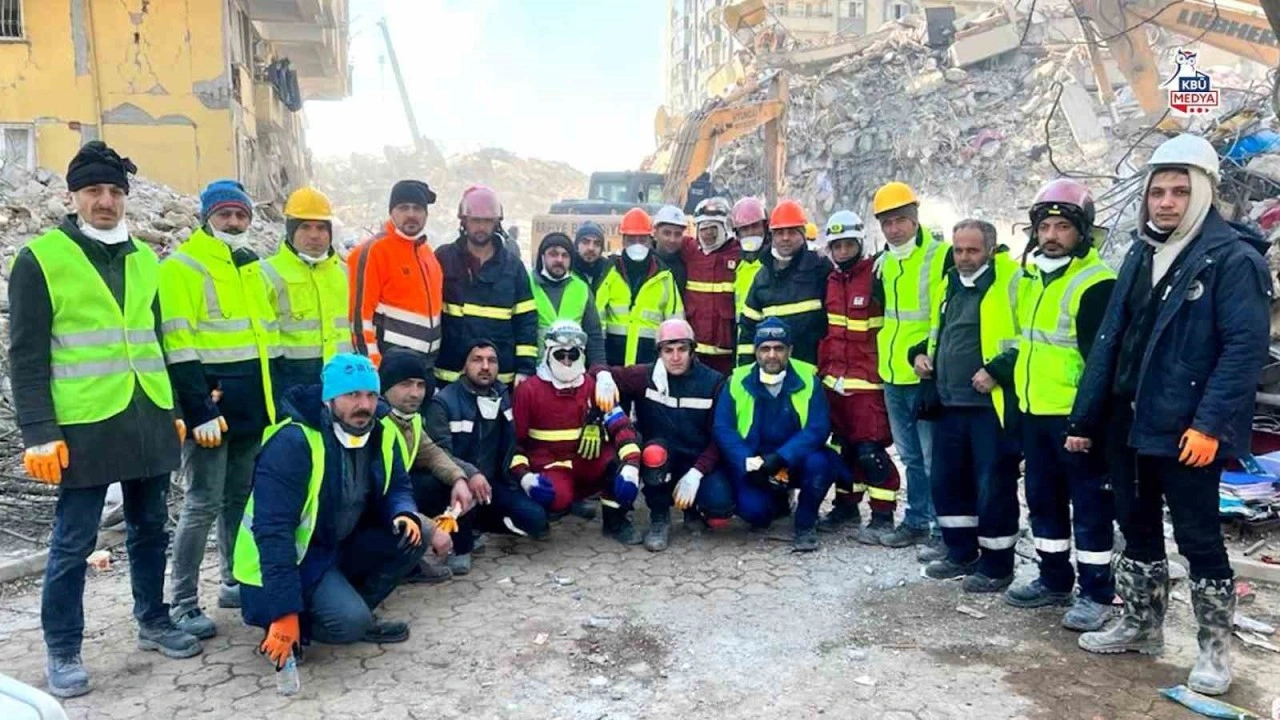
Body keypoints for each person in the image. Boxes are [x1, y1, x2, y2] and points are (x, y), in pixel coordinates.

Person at [1070, 134, 1271, 695]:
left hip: (1187, 429)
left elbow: (1243, 351)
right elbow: (1112, 340)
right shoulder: (1142, 253)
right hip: (1130, 422)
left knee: (1199, 537)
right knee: (1135, 525)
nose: (1165, 202)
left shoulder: (1233, 261)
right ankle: (1141, 624)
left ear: (1203, 193)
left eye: (1180, 191)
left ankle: (1214, 651)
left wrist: (1209, 426)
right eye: (1157, 192)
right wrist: (1086, 420)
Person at [10, 142, 199, 697]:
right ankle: (63, 648)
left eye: (115, 191)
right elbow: (26, 355)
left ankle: (153, 620)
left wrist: (175, 410)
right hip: (85, 422)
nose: (105, 202)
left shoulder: (143, 259)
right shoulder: (40, 259)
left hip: (147, 412)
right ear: (73, 196)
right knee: (74, 541)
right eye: (93, 191)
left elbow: (157, 340)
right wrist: (39, 432)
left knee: (150, 527)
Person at [235, 353, 427, 660]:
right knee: (347, 623)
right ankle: (288, 627)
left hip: (336, 545)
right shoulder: (294, 442)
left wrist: (402, 511)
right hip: (293, 559)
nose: (364, 405)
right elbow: (274, 532)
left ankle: (355, 610)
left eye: (371, 395)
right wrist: (284, 612)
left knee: (420, 530)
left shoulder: (380, 431)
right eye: (352, 395)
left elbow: (398, 486)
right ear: (330, 398)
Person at [160, 178, 281, 640]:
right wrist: (197, 411)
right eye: (224, 214)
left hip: (250, 409)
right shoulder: (183, 266)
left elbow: (262, 342)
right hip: (210, 411)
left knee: (238, 499)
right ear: (206, 218)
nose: (233, 222)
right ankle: (182, 602)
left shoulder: (251, 268)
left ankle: (233, 580)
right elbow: (178, 344)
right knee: (202, 502)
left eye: (241, 214)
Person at [1005, 178, 1117, 631]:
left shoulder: (1096, 283)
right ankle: (1053, 579)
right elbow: (1027, 344)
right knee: (1043, 500)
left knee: (1089, 507)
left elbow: (1101, 365)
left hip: (1074, 418)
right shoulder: (1030, 277)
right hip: (1035, 412)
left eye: (1063, 227)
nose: (1051, 236)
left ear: (1082, 231)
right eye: (1045, 227)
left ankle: (1096, 593)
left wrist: (1086, 423)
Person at [908, 220, 1026, 593]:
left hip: (991, 406)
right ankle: (960, 552)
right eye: (958, 250)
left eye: (972, 250)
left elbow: (1032, 338)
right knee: (948, 481)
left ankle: (997, 565)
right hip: (949, 402)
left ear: (990, 249)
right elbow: (939, 332)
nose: (963, 257)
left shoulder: (1013, 281)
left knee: (993, 486)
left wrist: (997, 370)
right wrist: (920, 355)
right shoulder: (949, 284)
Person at [594, 319, 735, 551]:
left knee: (720, 511)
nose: (675, 357)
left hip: (696, 461)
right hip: (659, 458)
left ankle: (693, 509)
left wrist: (697, 473)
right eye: (668, 350)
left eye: (682, 349)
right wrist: (603, 377)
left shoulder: (713, 382)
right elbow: (599, 373)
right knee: (654, 453)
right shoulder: (645, 375)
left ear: (693, 350)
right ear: (659, 352)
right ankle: (659, 517)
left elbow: (720, 437)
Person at [871, 181, 952, 558]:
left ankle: (940, 526)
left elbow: (949, 314)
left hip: (924, 374)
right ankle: (917, 519)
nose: (894, 229)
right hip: (892, 374)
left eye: (900, 220)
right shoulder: (884, 263)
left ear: (915, 218)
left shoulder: (941, 256)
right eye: (886, 223)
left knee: (933, 457)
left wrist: (931, 357)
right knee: (911, 458)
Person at [509, 320, 645, 544]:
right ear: (548, 353)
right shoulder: (528, 391)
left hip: (587, 462)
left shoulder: (593, 386)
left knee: (619, 465)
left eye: (573, 354)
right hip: (550, 466)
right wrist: (524, 477)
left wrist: (631, 466)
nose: (567, 361)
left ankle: (615, 521)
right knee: (554, 498)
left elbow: (621, 426)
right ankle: (557, 505)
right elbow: (514, 443)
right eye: (560, 354)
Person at [814, 211, 899, 545]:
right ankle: (846, 506)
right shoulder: (831, 280)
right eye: (837, 246)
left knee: (870, 450)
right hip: (836, 382)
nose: (842, 251)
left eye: (848, 244)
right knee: (843, 448)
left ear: (860, 243)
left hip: (868, 383)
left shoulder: (877, 274)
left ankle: (883, 515)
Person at [714, 318, 833, 552]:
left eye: (779, 348)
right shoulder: (737, 380)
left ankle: (806, 523)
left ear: (790, 350)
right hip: (756, 462)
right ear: (756, 351)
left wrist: (782, 457)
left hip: (795, 459)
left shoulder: (809, 379)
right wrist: (747, 462)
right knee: (755, 513)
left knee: (821, 464)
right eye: (765, 348)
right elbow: (723, 428)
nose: (771, 355)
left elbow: (818, 428)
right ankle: (779, 500)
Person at [426, 340, 551, 544]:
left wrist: (524, 477)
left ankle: (478, 522)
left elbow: (512, 445)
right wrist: (470, 474)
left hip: (492, 484)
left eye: (492, 361)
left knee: (535, 519)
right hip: (456, 483)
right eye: (477, 360)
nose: (485, 366)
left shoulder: (503, 395)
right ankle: (461, 532)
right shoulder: (443, 402)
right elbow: (439, 454)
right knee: (460, 548)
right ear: (464, 365)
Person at [378, 350, 473, 578]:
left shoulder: (411, 418)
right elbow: (381, 496)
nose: (415, 393)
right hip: (378, 506)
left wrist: (459, 479)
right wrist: (429, 529)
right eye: (405, 384)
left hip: (398, 493)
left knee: (447, 484)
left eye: (420, 385)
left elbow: (431, 453)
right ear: (386, 386)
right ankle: (404, 567)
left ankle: (457, 548)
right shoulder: (376, 423)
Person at [434, 185, 538, 387]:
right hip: (450, 376)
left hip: (498, 379)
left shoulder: (513, 267)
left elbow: (526, 321)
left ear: (497, 223)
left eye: (487, 221)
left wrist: (525, 369)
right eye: (475, 220)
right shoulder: (443, 259)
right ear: (464, 221)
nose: (481, 227)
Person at [261, 187, 349, 392]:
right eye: (305, 227)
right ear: (291, 230)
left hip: (342, 380)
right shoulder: (266, 273)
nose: (314, 235)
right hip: (291, 381)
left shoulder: (346, 274)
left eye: (321, 228)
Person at [347, 179, 444, 368]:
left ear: (426, 214)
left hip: (425, 367)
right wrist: (373, 368)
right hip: (389, 368)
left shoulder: (428, 254)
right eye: (403, 208)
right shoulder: (373, 251)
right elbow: (359, 319)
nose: (411, 214)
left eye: (417, 208)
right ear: (391, 212)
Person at [736, 200, 827, 366]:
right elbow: (748, 331)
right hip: (772, 371)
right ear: (772, 236)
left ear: (803, 235)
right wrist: (746, 371)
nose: (785, 238)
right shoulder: (762, 278)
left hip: (812, 372)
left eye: (792, 232)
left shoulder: (820, 270)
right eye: (779, 233)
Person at [597, 208, 685, 366]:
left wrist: (668, 364)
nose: (637, 245)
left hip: (649, 366)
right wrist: (599, 363)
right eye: (632, 239)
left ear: (650, 240)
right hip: (613, 364)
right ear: (623, 241)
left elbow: (675, 323)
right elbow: (597, 318)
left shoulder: (664, 276)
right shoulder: (610, 271)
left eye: (642, 239)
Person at [682, 197, 742, 374]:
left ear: (724, 227)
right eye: (704, 228)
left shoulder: (739, 253)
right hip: (695, 353)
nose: (708, 234)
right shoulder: (689, 251)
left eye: (713, 228)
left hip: (728, 354)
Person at [531, 231, 606, 366]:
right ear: (542, 257)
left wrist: (600, 369)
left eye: (565, 255)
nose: (559, 260)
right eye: (553, 254)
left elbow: (594, 336)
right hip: (535, 370)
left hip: (571, 369)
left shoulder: (581, 289)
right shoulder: (526, 284)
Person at [730, 197, 769, 322]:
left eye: (755, 226)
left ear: (765, 227)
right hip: (743, 331)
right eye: (745, 228)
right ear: (737, 234)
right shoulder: (738, 265)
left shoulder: (774, 262)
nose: (751, 232)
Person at [653, 204, 689, 293]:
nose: (672, 240)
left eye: (678, 234)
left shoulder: (687, 264)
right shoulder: (645, 264)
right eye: (667, 233)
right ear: (655, 234)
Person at [572, 222, 610, 295]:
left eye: (597, 243)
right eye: (585, 242)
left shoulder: (609, 272)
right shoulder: (566, 271)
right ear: (577, 245)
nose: (591, 248)